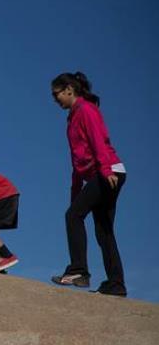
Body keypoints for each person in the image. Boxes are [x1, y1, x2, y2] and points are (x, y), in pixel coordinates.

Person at [50, 72, 126, 296]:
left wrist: (104, 169)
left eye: (56, 95)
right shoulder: (72, 119)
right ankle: (116, 284)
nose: (55, 100)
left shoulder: (86, 110)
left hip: (108, 172)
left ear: (69, 90)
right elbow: (77, 160)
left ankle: (78, 270)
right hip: (105, 173)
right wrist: (75, 193)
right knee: (103, 231)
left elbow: (98, 139)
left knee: (73, 217)